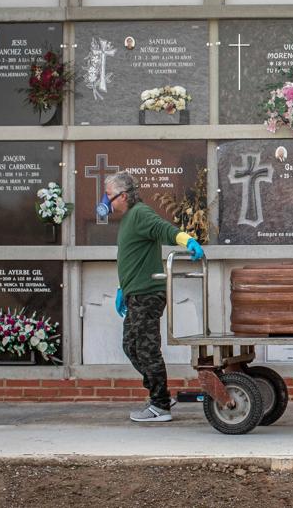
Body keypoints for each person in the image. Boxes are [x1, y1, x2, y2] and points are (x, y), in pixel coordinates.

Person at [103, 171, 204, 423]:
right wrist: (122, 288)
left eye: (109, 196)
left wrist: (188, 241)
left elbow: (164, 229)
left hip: (147, 294)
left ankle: (160, 405)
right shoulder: (129, 218)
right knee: (131, 346)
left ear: (123, 195)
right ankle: (160, 394)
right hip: (135, 292)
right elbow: (132, 259)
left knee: (146, 349)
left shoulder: (140, 214)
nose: (106, 202)